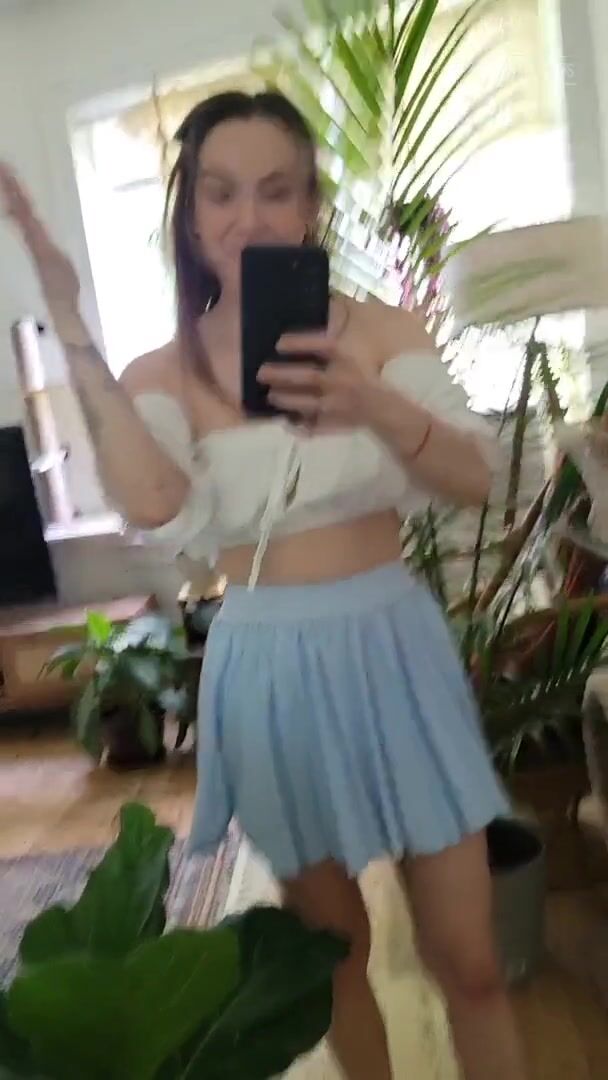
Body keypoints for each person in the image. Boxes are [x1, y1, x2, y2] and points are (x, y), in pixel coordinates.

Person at [0, 90, 527, 1080]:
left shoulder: (380, 331)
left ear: (311, 206)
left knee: (471, 962)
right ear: (190, 214)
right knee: (330, 961)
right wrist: (69, 324)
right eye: (221, 193)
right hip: (269, 670)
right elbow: (153, 502)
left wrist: (371, 404)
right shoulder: (162, 370)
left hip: (397, 649)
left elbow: (480, 478)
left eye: (276, 191)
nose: (249, 217)